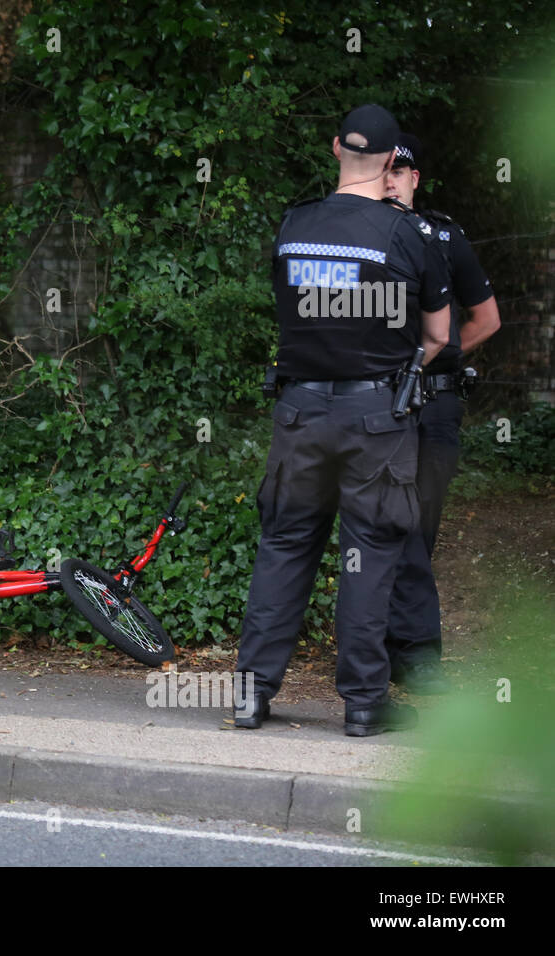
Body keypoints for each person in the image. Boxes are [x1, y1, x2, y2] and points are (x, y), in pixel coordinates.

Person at [233, 104, 452, 737]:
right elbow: (438, 332)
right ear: (391, 163)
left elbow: (290, 312)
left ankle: (250, 695)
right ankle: (362, 704)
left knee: (284, 546)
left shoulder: (293, 225)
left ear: (336, 148)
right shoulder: (408, 234)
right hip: (376, 418)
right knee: (371, 552)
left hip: (299, 412)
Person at [383, 132, 501, 694]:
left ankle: (399, 645)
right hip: (378, 399)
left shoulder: (443, 235)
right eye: (382, 172)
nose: (389, 181)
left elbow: (485, 319)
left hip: (434, 399)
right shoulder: (363, 237)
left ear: (414, 179)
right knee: (393, 519)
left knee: (419, 524)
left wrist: (441, 355)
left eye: (399, 173)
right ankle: (413, 650)